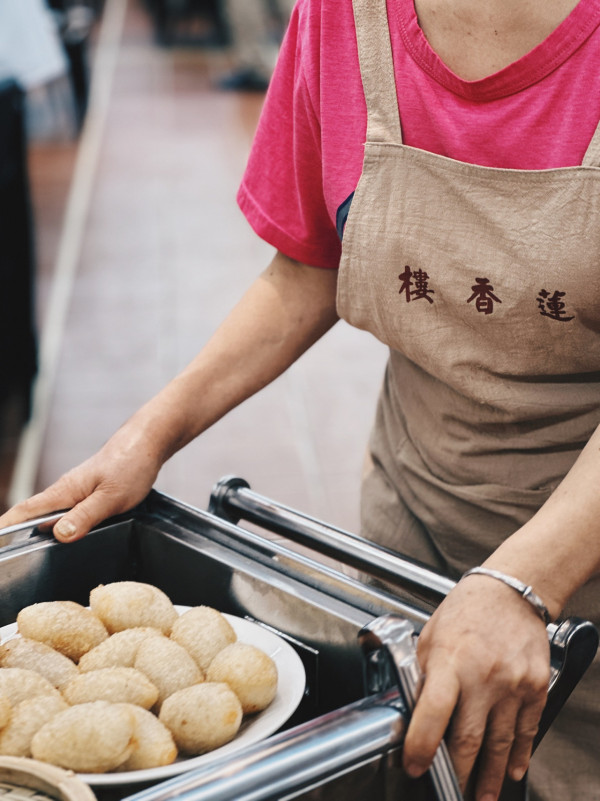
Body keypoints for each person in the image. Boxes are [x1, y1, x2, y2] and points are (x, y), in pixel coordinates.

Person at [1, 0, 600, 799]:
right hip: (412, 534)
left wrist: (524, 580)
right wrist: (148, 433)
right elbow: (306, 268)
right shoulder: (344, 16)